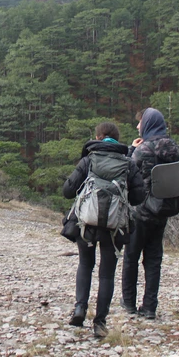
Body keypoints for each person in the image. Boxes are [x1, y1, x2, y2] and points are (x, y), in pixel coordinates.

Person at [62, 122, 145, 338]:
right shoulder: (128, 163)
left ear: (98, 138)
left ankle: (80, 309)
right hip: (115, 226)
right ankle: (100, 322)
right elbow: (138, 197)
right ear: (117, 140)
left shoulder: (89, 159)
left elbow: (68, 191)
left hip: (86, 224)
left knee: (85, 264)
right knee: (107, 274)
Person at [121, 108, 179, 320]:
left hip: (140, 211)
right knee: (154, 259)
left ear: (147, 124)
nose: (138, 126)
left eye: (140, 123)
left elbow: (127, 170)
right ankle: (149, 307)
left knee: (131, 257)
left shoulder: (143, 149)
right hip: (163, 210)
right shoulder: (172, 147)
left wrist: (131, 149)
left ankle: (128, 303)